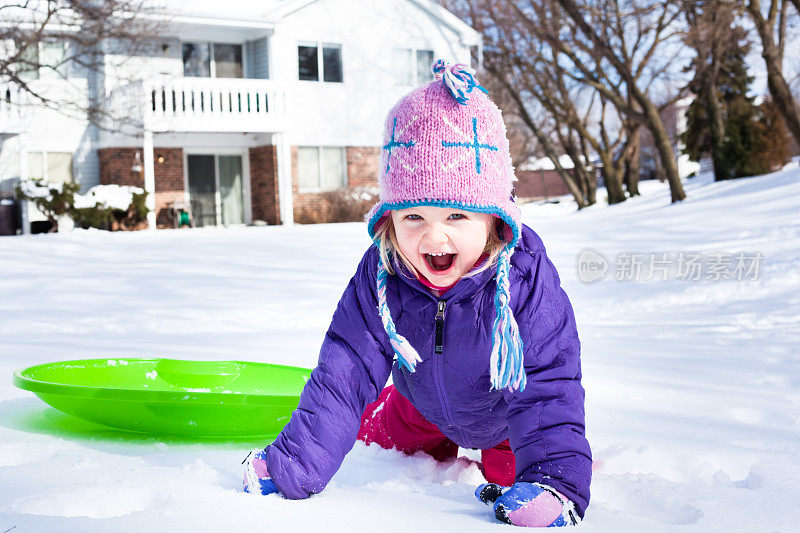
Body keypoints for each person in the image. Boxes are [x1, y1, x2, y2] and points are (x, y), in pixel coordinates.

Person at [243, 59, 591, 527]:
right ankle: (412, 434)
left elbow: (549, 383)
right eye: (414, 218)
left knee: (520, 487)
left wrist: (554, 481)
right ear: (389, 219)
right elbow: (344, 370)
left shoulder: (523, 276)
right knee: (376, 437)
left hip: (508, 419)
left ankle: (542, 480)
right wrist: (293, 469)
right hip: (419, 406)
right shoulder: (384, 272)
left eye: (456, 217)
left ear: (494, 220)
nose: (434, 239)